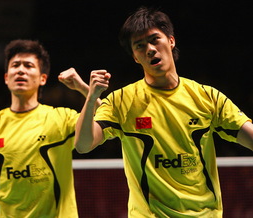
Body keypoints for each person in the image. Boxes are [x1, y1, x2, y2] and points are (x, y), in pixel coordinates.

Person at [74, 6, 253, 217]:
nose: (149, 49)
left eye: (154, 40)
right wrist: (92, 97)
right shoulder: (121, 101)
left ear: (171, 40)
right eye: (139, 46)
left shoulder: (207, 97)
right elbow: (83, 145)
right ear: (135, 57)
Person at [0, 39, 97, 217]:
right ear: (6, 78)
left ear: (42, 78)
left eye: (29, 65)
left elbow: (109, 120)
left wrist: (86, 91)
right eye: (15, 65)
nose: (21, 70)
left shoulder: (62, 118)